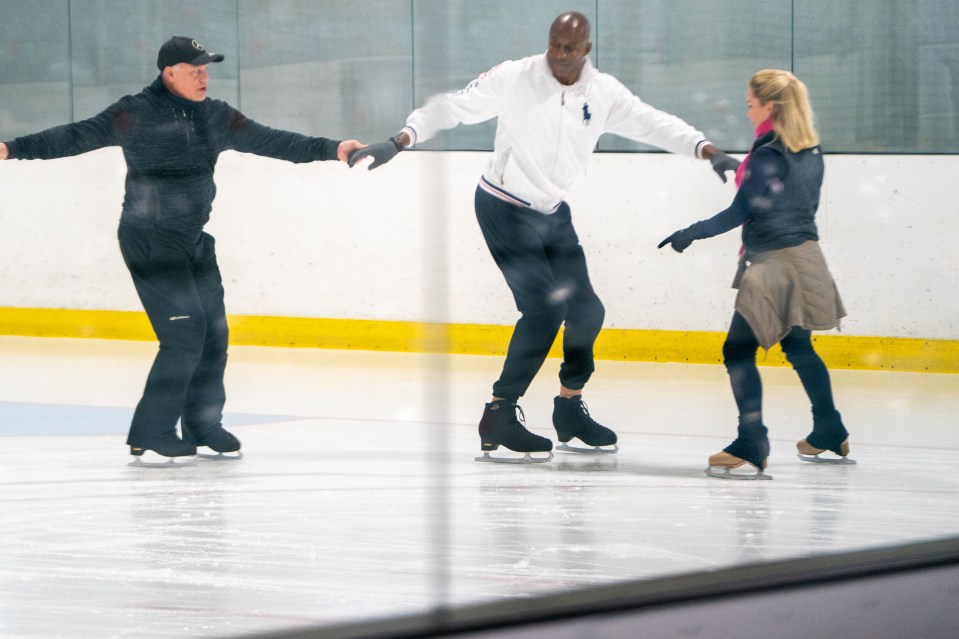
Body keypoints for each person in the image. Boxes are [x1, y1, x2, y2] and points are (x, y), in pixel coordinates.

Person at [349, 12, 740, 462]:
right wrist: (400, 140)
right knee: (544, 310)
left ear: (586, 50)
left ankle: (569, 410)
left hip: (551, 213)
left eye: (569, 47)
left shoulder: (604, 93)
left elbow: (653, 123)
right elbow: (452, 106)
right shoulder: (517, 76)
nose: (559, 54)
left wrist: (706, 150)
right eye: (554, 44)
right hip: (503, 206)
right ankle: (499, 412)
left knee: (587, 310)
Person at [0, 36, 364, 465]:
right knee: (185, 335)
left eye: (206, 69)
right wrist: (13, 148)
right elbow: (75, 135)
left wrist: (331, 149)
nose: (203, 77)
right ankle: (151, 431)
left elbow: (273, 141)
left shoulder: (216, 116)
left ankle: (203, 424)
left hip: (192, 239)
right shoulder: (134, 112)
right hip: (149, 239)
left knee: (213, 334)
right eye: (194, 70)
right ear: (168, 72)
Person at [658, 69, 852, 479]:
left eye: (750, 104)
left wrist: (688, 234)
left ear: (770, 106)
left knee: (737, 351)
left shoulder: (768, 155)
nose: (747, 112)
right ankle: (830, 427)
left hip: (775, 265)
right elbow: (788, 202)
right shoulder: (809, 151)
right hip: (807, 258)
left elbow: (739, 212)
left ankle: (752, 440)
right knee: (799, 348)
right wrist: (735, 165)